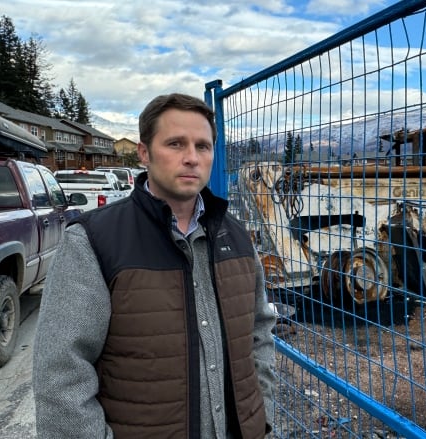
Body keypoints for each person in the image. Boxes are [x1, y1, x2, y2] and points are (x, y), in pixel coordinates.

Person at [33, 93, 277, 438]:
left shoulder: (236, 237)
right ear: (144, 152)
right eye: (176, 144)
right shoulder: (93, 241)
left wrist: (262, 417)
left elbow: (259, 333)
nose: (192, 158)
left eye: (203, 146)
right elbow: (61, 373)